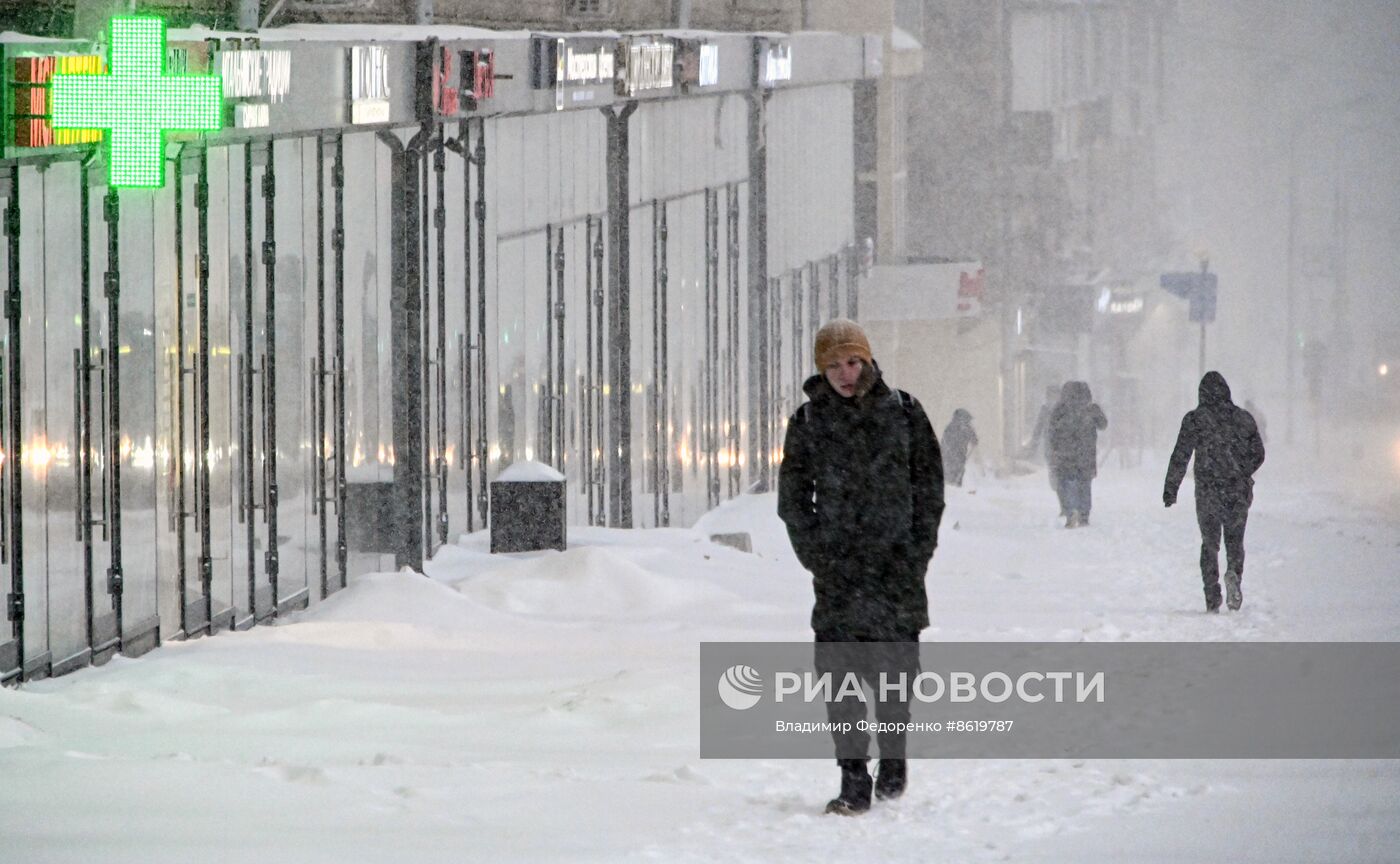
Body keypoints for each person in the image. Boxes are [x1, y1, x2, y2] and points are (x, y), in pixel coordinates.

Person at [777, 318, 944, 816]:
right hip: (839, 576)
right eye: (833, 365)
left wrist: (916, 553)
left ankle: (893, 754)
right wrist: (818, 558)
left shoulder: (906, 414)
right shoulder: (808, 424)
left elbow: (929, 489)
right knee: (839, 677)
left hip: (896, 572)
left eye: (852, 362)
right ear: (820, 371)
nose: (845, 374)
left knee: (895, 676)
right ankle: (854, 777)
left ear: (868, 361)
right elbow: (792, 500)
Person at [1164, 372, 1266, 612]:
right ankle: (1234, 575)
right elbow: (1259, 453)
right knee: (1235, 540)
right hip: (1236, 490)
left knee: (1209, 543)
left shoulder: (1195, 420)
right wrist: (1242, 470)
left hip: (1208, 490)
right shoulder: (1242, 418)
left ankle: (1212, 595)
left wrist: (1171, 488)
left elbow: (1181, 455)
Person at [1048, 381, 1107, 527]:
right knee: (1084, 484)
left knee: (1066, 483)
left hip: (1065, 455)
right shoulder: (1091, 409)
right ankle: (1084, 514)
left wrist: (1054, 449)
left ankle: (1070, 512)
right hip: (1085, 456)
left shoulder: (1060, 409)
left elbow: (1052, 431)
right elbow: (1103, 425)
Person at [1024, 384, 1065, 515]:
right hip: (1051, 449)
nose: (1052, 398)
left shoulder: (1065, 410)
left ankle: (1065, 506)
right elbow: (1038, 428)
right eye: (1050, 395)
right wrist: (1033, 446)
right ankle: (1064, 504)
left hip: (1065, 449)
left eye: (1055, 395)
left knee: (1063, 478)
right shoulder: (1045, 410)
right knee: (1055, 480)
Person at [941, 409, 978, 487]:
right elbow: (974, 440)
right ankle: (954, 486)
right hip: (955, 455)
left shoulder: (950, 427)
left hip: (953, 455)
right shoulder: (963, 428)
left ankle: (953, 486)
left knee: (954, 473)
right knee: (955, 472)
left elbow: (974, 440)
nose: (969, 422)